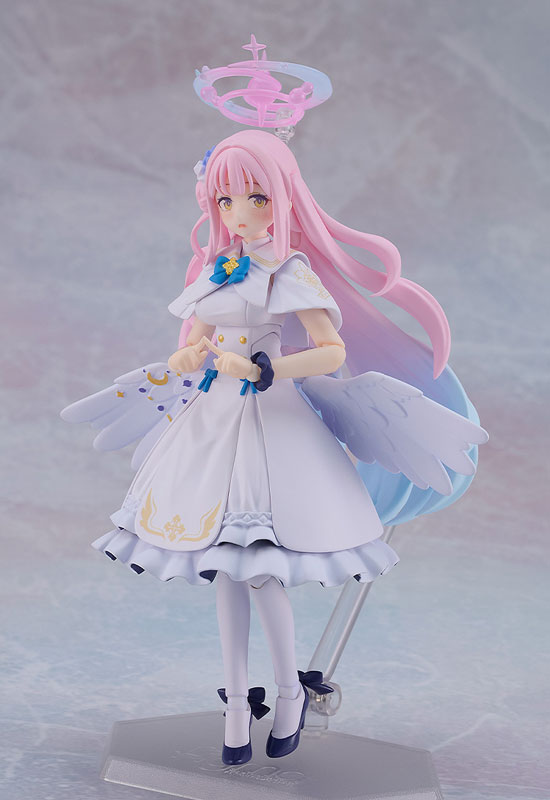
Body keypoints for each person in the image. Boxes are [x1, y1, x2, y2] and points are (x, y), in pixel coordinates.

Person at [61, 129, 487, 765]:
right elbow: (194, 339)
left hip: (271, 420)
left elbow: (331, 352)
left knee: (261, 572)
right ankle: (237, 704)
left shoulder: (290, 272)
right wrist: (186, 357)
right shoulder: (218, 270)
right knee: (224, 574)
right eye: (226, 200)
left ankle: (289, 694)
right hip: (212, 423)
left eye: (255, 198)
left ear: (283, 197)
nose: (239, 213)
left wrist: (265, 369)